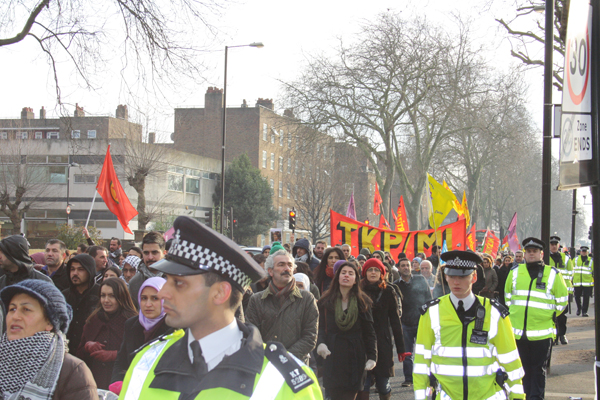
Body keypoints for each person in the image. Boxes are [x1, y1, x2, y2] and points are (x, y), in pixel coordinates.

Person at [118, 216, 322, 398]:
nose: (162, 293)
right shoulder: (146, 362)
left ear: (220, 293)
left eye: (178, 283)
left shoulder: (286, 381)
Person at [414, 250, 525, 400]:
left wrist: (517, 396)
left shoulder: (494, 312)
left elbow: (510, 359)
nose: (456, 282)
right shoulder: (432, 312)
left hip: (487, 396)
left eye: (463, 276)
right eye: (452, 276)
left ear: (474, 277)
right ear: (445, 276)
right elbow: (421, 362)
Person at [0, 279, 98, 400]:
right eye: (12, 309)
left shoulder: (72, 371)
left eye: (26, 309)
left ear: (50, 323)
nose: (15, 316)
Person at [505, 237, 568, 400]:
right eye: (528, 252)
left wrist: (549, 315)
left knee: (538, 370)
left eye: (535, 252)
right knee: (521, 369)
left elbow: (562, 301)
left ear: (541, 254)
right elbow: (507, 298)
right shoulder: (515, 272)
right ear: (524, 254)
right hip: (518, 333)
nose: (531, 254)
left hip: (542, 333)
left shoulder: (553, 274)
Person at [246, 250, 319, 364]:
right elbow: (252, 335)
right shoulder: (257, 300)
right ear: (270, 271)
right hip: (266, 366)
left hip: (296, 367)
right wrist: (269, 358)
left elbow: (310, 337)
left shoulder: (306, 299)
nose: (287, 268)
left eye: (290, 265)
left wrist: (285, 358)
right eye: (281, 265)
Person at [317, 261, 376, 400]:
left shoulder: (363, 302)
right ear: (337, 277)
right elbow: (319, 328)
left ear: (356, 279)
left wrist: (373, 357)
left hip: (355, 357)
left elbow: (370, 333)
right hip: (332, 355)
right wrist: (320, 344)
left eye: (351, 273)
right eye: (343, 273)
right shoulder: (326, 301)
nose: (346, 276)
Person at [360, 258, 408, 400]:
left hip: (383, 342)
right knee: (364, 384)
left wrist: (401, 349)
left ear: (382, 273)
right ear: (365, 272)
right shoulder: (358, 290)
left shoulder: (389, 291)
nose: (373, 272)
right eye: (370, 269)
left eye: (376, 270)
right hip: (362, 342)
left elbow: (395, 320)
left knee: (383, 383)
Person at [77, 278, 138, 389]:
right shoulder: (93, 320)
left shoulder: (133, 323)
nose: (106, 300)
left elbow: (140, 357)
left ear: (121, 297)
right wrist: (87, 346)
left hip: (122, 385)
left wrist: (114, 355)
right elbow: (79, 355)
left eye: (111, 296)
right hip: (94, 384)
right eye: (103, 295)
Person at [111, 277, 173, 385]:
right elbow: (121, 361)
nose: (148, 304)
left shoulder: (175, 328)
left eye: (155, 298)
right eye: (144, 298)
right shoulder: (131, 325)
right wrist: (118, 382)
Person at [393, 257, 431, 387]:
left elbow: (429, 299)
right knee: (407, 353)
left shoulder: (420, 279)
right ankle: (409, 378)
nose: (406, 268)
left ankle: (425, 377)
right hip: (405, 323)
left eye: (408, 265)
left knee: (424, 351)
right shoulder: (395, 285)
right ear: (398, 268)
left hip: (421, 321)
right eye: (403, 265)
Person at [62, 254, 101, 355]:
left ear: (89, 271)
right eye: (72, 269)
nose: (75, 273)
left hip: (92, 353)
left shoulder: (100, 294)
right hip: (66, 352)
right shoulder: (64, 296)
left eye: (80, 269)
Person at [128, 231, 167, 309]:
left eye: (154, 252)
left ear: (164, 253)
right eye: (146, 253)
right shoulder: (135, 283)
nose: (150, 257)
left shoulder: (175, 278)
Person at [548, 235, 573, 344]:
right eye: (552, 244)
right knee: (551, 315)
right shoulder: (545, 258)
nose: (554, 246)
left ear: (558, 245)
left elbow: (571, 274)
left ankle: (562, 335)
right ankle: (554, 336)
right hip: (550, 291)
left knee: (562, 316)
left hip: (563, 291)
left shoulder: (566, 258)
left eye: (555, 244)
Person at [573, 245, 593, 317]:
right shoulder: (575, 260)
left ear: (587, 252)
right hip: (577, 281)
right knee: (576, 296)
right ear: (580, 252)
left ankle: (584, 311)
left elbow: (594, 271)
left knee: (586, 297)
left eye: (585, 251)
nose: (584, 253)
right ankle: (579, 308)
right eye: (583, 251)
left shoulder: (591, 260)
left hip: (587, 282)